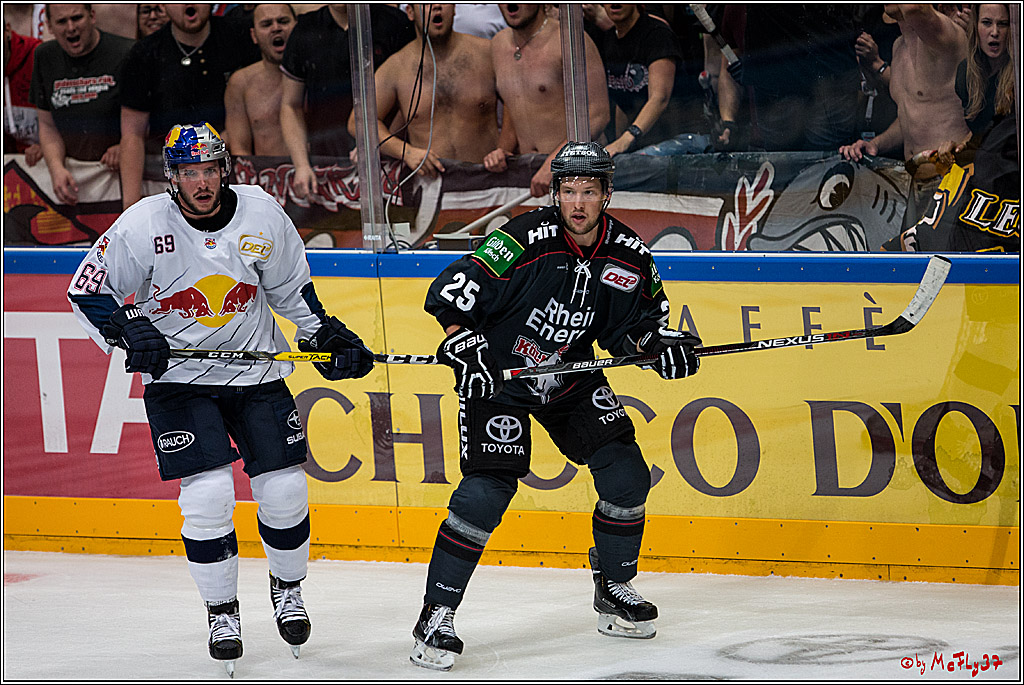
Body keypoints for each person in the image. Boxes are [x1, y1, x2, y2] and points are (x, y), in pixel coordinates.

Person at [66, 123, 376, 676]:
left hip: (256, 371)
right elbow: (87, 290)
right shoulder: (143, 223)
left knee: (285, 489)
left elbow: (293, 294)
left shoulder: (261, 214)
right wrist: (129, 329)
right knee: (208, 497)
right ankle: (222, 611)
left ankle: (288, 588)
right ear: (173, 178)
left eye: (209, 170)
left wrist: (327, 337)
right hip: (178, 381)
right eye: (190, 173)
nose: (202, 183)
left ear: (224, 170)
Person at [411, 141, 701, 671]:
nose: (578, 203)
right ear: (557, 194)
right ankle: (436, 615)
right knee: (485, 492)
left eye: (589, 191)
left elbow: (636, 328)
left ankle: (614, 588)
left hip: (569, 375)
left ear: (607, 193)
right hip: (499, 377)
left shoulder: (630, 253)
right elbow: (452, 291)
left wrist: (659, 346)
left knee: (626, 474)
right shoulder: (520, 238)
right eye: (569, 191)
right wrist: (460, 339)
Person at [839, 4, 970, 229]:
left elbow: (915, 8)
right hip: (912, 181)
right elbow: (910, 116)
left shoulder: (945, 35)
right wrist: (876, 144)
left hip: (949, 180)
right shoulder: (899, 46)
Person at [119, 4, 260, 209]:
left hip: (233, 165)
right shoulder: (144, 54)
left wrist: (218, 144)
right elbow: (132, 135)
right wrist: (130, 206)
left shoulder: (239, 36)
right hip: (169, 174)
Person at [280, 4, 414, 199]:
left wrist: (380, 143)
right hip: (325, 166)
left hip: (390, 164)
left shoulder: (394, 23)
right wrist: (301, 165)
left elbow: (411, 97)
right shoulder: (306, 29)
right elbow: (290, 105)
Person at [349, 4, 498, 176]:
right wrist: (406, 152)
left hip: (488, 178)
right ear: (410, 12)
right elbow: (358, 121)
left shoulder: (486, 52)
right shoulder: (397, 67)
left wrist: (504, 148)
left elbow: (515, 101)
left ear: (454, 8)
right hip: (430, 181)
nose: (437, 6)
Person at [484, 4, 610, 197]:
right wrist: (502, 151)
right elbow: (514, 106)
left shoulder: (570, 40)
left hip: (576, 172)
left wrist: (557, 161)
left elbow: (598, 115)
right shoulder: (497, 45)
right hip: (530, 176)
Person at [27, 3, 134, 206]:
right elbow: (47, 125)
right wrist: (56, 168)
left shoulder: (126, 52)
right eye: (61, 21)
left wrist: (125, 147)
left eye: (77, 18)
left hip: (121, 176)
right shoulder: (44, 56)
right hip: (74, 181)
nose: (71, 28)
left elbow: (145, 121)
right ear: (49, 26)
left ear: (92, 16)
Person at [592, 4, 685, 156]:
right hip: (640, 142)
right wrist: (617, 143)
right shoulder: (609, 39)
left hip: (676, 139)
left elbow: (659, 98)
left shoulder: (657, 34)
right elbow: (623, 102)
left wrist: (626, 139)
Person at [224, 3, 297, 156]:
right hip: (265, 170)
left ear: (297, 27)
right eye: (266, 24)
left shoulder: (318, 73)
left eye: (283, 21)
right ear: (254, 35)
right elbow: (240, 149)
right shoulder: (241, 83)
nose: (276, 28)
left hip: (318, 168)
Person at [4, 20, 43, 162]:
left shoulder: (39, 56)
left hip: (58, 155)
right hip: (19, 162)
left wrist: (51, 146)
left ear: (7, 30)